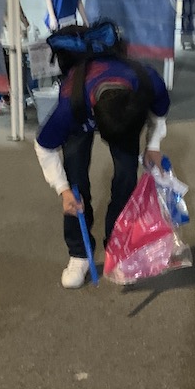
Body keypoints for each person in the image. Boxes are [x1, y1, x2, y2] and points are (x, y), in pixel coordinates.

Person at [34, 24, 170, 288]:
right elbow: (44, 147)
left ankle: (117, 247)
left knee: (127, 176)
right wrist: (62, 190)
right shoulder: (70, 106)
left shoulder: (147, 81)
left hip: (122, 113)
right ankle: (79, 253)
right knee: (75, 180)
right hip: (81, 107)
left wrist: (152, 145)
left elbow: (160, 113)